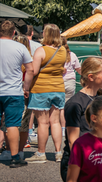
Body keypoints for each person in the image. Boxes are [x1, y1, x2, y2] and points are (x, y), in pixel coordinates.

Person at [27, 24, 68, 163]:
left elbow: (35, 70)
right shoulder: (63, 50)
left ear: (47, 34)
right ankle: (58, 152)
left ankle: (41, 153)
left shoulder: (41, 50)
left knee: (43, 123)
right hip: (58, 88)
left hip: (41, 89)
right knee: (55, 121)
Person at [0, 20, 35, 167]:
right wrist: (26, 88)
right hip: (14, 91)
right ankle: (15, 157)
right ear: (14, 32)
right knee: (12, 124)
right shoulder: (20, 47)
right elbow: (30, 69)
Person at [61, 37, 80, 104]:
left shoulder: (56, 55)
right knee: (68, 104)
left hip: (59, 81)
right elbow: (78, 69)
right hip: (70, 82)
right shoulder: (72, 55)